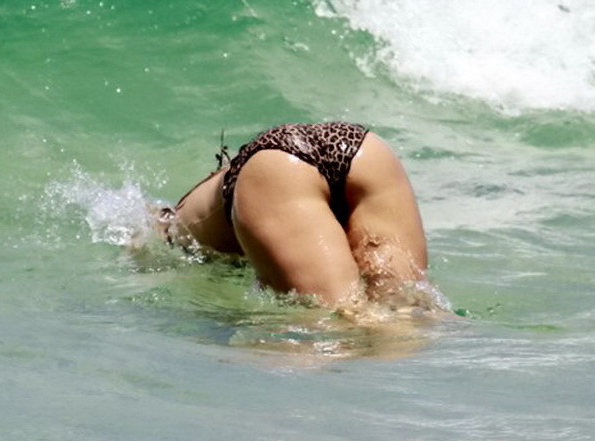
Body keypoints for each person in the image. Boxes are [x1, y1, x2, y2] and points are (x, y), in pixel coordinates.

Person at [158, 122, 430, 308]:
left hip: (277, 171)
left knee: (340, 320)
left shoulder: (170, 229)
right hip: (364, 148)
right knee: (408, 313)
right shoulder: (219, 189)